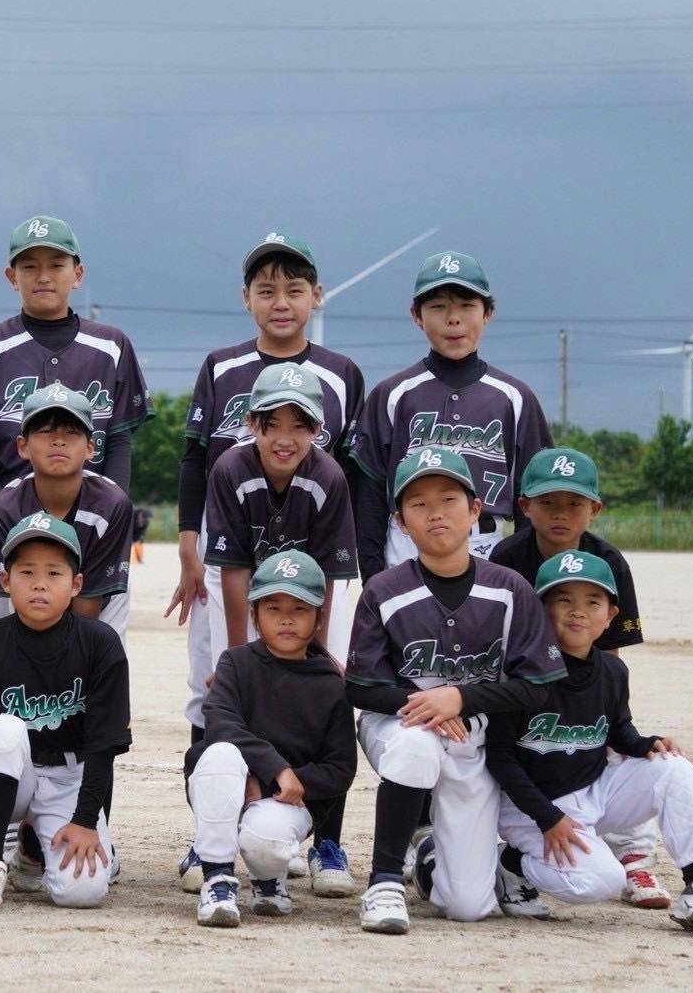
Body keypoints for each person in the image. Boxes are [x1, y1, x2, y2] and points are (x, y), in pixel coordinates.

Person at [346, 447, 568, 934]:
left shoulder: (510, 589)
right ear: (401, 521)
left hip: (474, 735)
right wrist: (430, 706)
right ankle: (384, 882)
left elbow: (537, 686)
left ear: (475, 511)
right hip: (398, 723)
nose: (435, 513)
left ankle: (429, 856)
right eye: (418, 504)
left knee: (468, 904)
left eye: (448, 499)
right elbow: (362, 687)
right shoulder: (383, 590)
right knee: (416, 746)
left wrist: (462, 699)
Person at [168, 232, 364, 765]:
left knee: (317, 673)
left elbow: (351, 474)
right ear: (246, 298)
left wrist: (355, 567)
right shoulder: (221, 366)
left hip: (312, 550)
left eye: (294, 290)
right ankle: (213, 789)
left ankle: (310, 797)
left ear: (316, 296)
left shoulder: (342, 374)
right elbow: (194, 458)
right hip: (226, 546)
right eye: (266, 290)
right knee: (213, 678)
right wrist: (188, 545)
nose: (281, 303)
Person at [485, 550, 693, 938]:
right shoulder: (521, 672)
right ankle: (510, 863)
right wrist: (548, 818)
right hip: (530, 806)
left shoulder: (612, 670)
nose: (578, 611)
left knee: (675, 767)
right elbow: (500, 759)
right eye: (563, 599)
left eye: (592, 602)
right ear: (540, 609)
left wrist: (648, 743)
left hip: (593, 790)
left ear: (610, 615)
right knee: (600, 882)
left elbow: (618, 733)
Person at [192, 362, 359, 895]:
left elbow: (329, 574)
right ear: (252, 424)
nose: (285, 438)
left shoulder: (328, 477)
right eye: (272, 424)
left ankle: (326, 842)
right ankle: (209, 835)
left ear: (318, 430)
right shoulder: (230, 468)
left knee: (327, 695)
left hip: (310, 597)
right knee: (216, 696)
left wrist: (318, 652)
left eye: (299, 425)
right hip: (248, 589)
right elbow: (233, 567)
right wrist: (237, 656)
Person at [0, 215, 151, 628]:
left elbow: (119, 439)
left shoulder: (111, 345)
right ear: (12, 276)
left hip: (94, 510)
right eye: (29, 266)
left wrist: (113, 508)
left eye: (56, 264)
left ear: (78, 274)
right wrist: (5, 510)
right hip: (2, 503)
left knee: (99, 632)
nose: (43, 276)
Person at [0, 511, 130, 914]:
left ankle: (32, 849)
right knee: (1, 729)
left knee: (82, 893)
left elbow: (103, 744)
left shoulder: (100, 644)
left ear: (76, 584)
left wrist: (85, 821)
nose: (40, 583)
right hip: (6, 775)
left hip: (69, 777)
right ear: (5, 580)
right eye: (26, 572)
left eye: (54, 573)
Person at [489, 446, 660, 910]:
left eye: (574, 503)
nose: (561, 514)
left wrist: (600, 707)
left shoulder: (609, 560)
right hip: (524, 685)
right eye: (548, 502)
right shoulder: (508, 557)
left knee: (617, 749)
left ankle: (634, 857)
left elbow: (609, 651)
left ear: (594, 509)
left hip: (585, 679)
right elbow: (498, 639)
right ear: (525, 507)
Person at [349, 250, 551, 580]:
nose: (453, 319)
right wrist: (373, 580)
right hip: (407, 545)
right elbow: (369, 497)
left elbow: (533, 496)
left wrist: (525, 578)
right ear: (417, 315)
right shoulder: (392, 395)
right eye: (438, 306)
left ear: (488, 313)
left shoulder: (515, 398)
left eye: (467, 305)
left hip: (487, 544)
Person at [188, 550, 356, 927]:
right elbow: (220, 723)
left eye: (300, 609)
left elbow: (340, 768)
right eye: (273, 607)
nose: (286, 618)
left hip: (287, 801)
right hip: (234, 784)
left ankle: (269, 878)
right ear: (254, 615)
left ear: (319, 618)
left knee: (265, 839)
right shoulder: (235, 662)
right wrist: (275, 769)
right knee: (218, 755)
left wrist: (274, 784)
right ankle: (217, 878)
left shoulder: (331, 683)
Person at [0, 385, 134, 636]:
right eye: (45, 431)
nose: (59, 440)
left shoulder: (112, 503)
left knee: (103, 646)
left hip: (99, 603)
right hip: (31, 604)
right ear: (23, 446)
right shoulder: (5, 508)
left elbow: (89, 604)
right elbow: (18, 595)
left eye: (72, 432)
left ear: (90, 447)